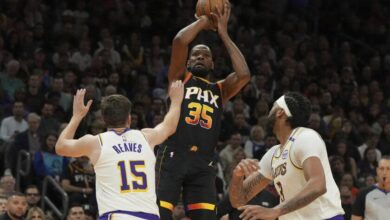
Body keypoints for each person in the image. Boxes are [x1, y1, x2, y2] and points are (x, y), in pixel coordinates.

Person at [156, 2, 250, 219]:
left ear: (213, 64)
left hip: (203, 164)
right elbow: (180, 41)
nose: (199, 57)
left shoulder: (220, 89)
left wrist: (224, 34)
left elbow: (244, 74)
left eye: (205, 55)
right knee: (160, 214)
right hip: (173, 155)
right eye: (196, 55)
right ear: (188, 62)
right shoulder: (180, 78)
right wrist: (204, 21)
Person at [55, 81, 184, 219]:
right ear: (129, 118)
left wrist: (76, 117)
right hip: (149, 216)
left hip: (117, 214)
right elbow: (169, 126)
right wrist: (176, 101)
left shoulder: (96, 143)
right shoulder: (146, 137)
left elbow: (61, 147)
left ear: (104, 119)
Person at [229, 92, 345, 219]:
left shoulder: (305, 137)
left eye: (273, 106)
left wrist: (276, 211)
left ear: (280, 112)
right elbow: (239, 201)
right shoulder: (273, 153)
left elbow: (318, 185)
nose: (269, 111)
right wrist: (237, 176)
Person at [351, 155, 390, 220]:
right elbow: (355, 218)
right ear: (377, 170)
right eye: (382, 169)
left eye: (388, 169)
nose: (385, 172)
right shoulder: (364, 193)